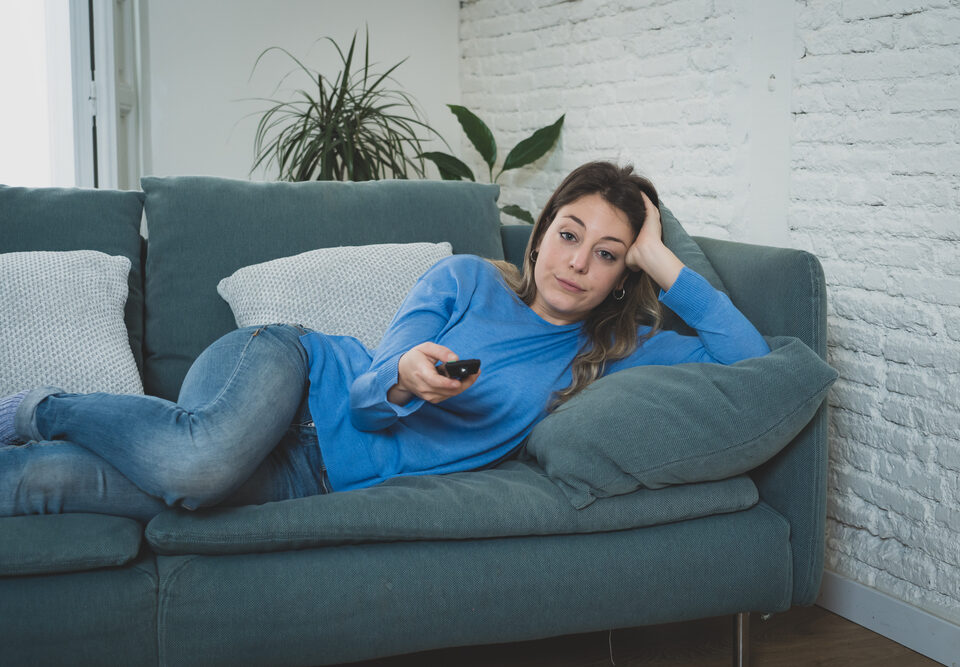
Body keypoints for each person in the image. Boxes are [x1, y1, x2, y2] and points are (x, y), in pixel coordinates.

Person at [0, 161, 770, 521]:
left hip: (314, 476)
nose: (579, 262)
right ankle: (40, 405)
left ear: (621, 272)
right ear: (538, 237)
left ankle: (31, 444)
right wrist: (404, 375)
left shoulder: (620, 347)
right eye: (570, 234)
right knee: (198, 462)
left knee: (52, 486)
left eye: (608, 253)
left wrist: (660, 258)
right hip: (288, 370)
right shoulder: (467, 279)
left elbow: (752, 360)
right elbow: (370, 395)